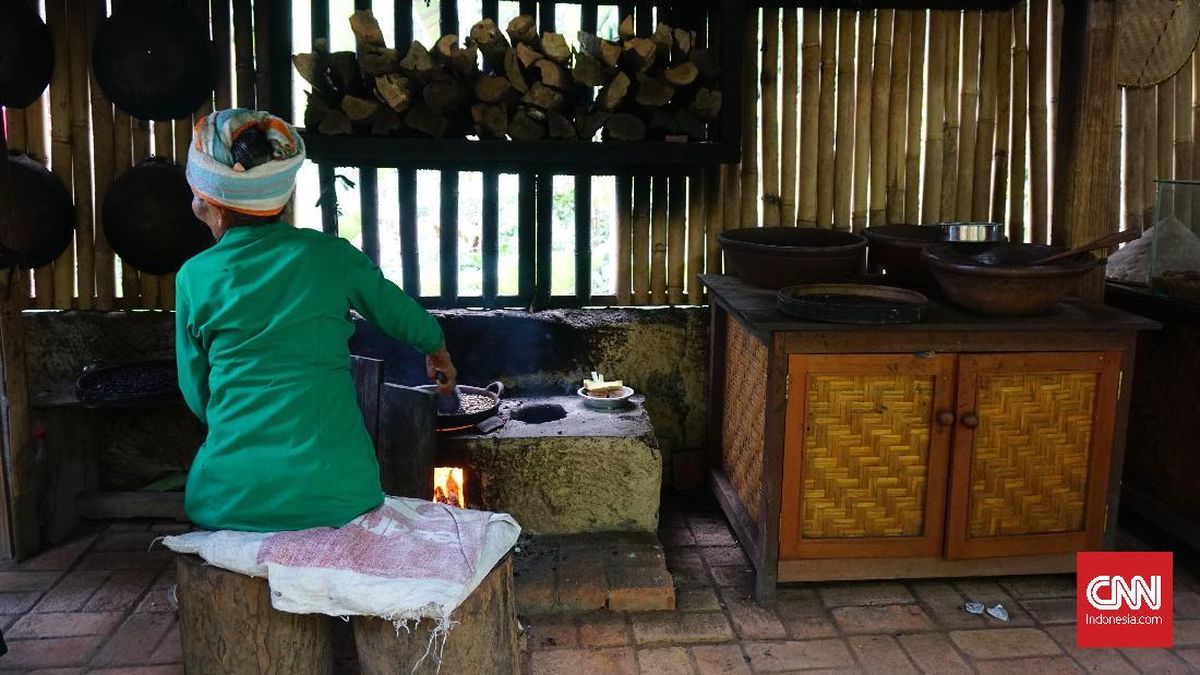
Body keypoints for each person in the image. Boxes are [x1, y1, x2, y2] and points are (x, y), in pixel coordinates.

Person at [176, 109, 457, 532]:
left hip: (230, 497)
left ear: (209, 206)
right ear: (283, 197)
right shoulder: (330, 256)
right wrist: (437, 350)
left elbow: (197, 392)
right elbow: (400, 313)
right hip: (338, 493)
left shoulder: (193, 278)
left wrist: (241, 428)